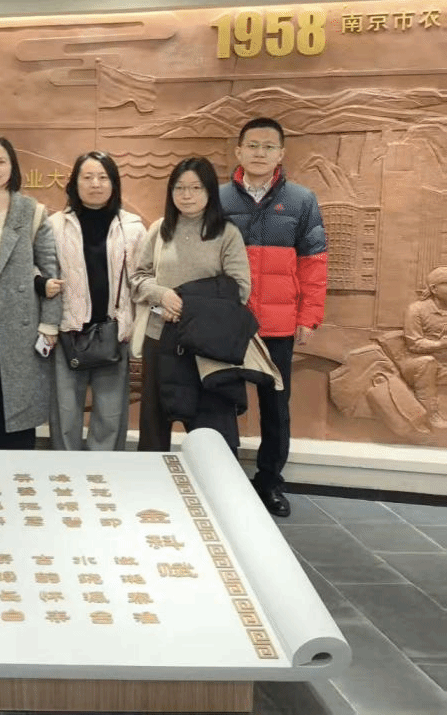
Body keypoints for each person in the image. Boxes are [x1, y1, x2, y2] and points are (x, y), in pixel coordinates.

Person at [220, 117, 327, 518]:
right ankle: (223, 479)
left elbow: (314, 263)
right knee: (222, 402)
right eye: (252, 145)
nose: (259, 153)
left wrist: (309, 317)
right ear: (239, 151)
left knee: (276, 408)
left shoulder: (301, 201)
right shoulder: (218, 199)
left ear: (281, 153)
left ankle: (269, 483)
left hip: (279, 325)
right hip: (230, 323)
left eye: (268, 146)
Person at [133, 157, 251, 454]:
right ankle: (153, 477)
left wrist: (187, 305)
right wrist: (161, 295)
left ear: (210, 191)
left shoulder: (226, 233)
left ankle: (212, 479)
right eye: (179, 187)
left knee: (210, 426)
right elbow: (138, 278)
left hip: (206, 346)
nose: (187, 195)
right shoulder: (160, 229)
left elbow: (240, 289)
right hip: (160, 338)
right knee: (154, 423)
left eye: (196, 188)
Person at [0, 137, 61, 449]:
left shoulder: (32, 211)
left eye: (1, 162)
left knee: (19, 406)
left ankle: (21, 472)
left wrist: (49, 324)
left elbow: (49, 270)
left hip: (21, 322)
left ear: (13, 167)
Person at [48, 152, 145, 451]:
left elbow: (142, 280)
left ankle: (103, 471)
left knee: (110, 417)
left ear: (114, 183)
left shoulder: (132, 227)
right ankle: (66, 472)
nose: (95, 184)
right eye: (87, 177)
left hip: (114, 333)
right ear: (74, 183)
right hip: (69, 332)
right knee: (65, 414)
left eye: (103, 177)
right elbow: (39, 271)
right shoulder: (55, 225)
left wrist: (137, 328)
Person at [399, 267, 447, 428]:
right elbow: (414, 344)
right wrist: (440, 344)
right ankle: (430, 415)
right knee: (428, 363)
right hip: (416, 362)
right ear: (434, 289)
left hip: (444, 362)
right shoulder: (417, 309)